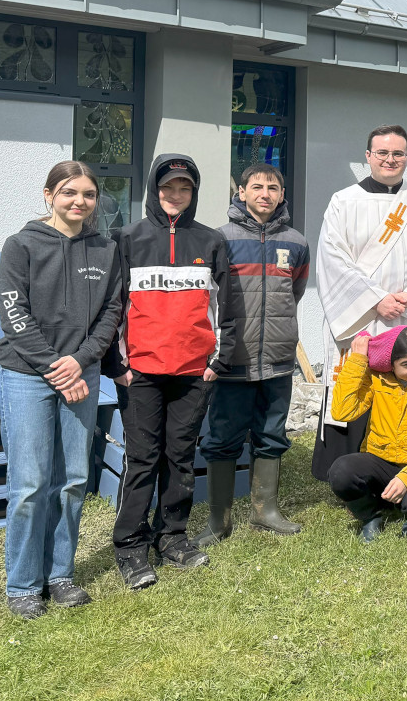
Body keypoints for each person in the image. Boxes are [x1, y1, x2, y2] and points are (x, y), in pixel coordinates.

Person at [0, 162, 124, 619]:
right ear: (48, 194)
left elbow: (111, 313)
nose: (79, 202)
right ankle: (23, 584)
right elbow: (14, 315)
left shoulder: (106, 250)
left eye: (88, 195)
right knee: (30, 484)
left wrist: (81, 361)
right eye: (70, 193)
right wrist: (55, 367)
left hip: (81, 374)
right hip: (28, 376)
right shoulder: (21, 245)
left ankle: (59, 574)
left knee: (71, 481)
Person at [107, 154, 236, 590]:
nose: (175, 196)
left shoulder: (212, 241)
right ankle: (130, 546)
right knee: (142, 459)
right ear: (153, 190)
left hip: (193, 373)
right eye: (168, 188)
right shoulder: (128, 238)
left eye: (184, 188)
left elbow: (228, 309)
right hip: (140, 372)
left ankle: (172, 537)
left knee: (179, 457)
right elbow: (112, 306)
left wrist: (219, 362)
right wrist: (116, 364)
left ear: (194, 193)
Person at [313, 124, 407, 482]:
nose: (390, 159)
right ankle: (352, 473)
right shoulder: (343, 201)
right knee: (357, 385)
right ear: (368, 157)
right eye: (382, 153)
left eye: (398, 153)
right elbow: (332, 258)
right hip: (363, 318)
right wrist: (376, 299)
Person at [197, 163, 308, 546]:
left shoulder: (296, 241)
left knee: (271, 434)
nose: (265, 193)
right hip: (233, 358)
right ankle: (218, 520)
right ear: (240, 192)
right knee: (223, 437)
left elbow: (295, 291)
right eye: (257, 187)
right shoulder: (218, 238)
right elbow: (207, 297)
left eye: (273, 187)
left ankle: (266, 511)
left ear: (281, 194)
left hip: (277, 357)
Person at [326, 326, 407, 540]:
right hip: (380, 459)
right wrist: (357, 361)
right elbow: (342, 411)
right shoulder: (377, 378)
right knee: (340, 472)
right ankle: (369, 516)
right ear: (390, 365)